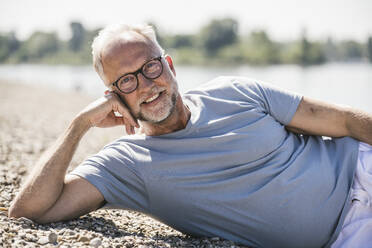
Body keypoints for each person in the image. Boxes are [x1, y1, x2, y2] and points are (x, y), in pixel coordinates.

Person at [8, 24, 372, 248]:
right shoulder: (127, 166)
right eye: (127, 81)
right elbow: (29, 210)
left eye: (150, 66)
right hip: (346, 238)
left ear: (169, 65)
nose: (147, 85)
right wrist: (78, 126)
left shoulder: (236, 91)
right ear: (113, 96)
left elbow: (345, 122)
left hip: (360, 165)